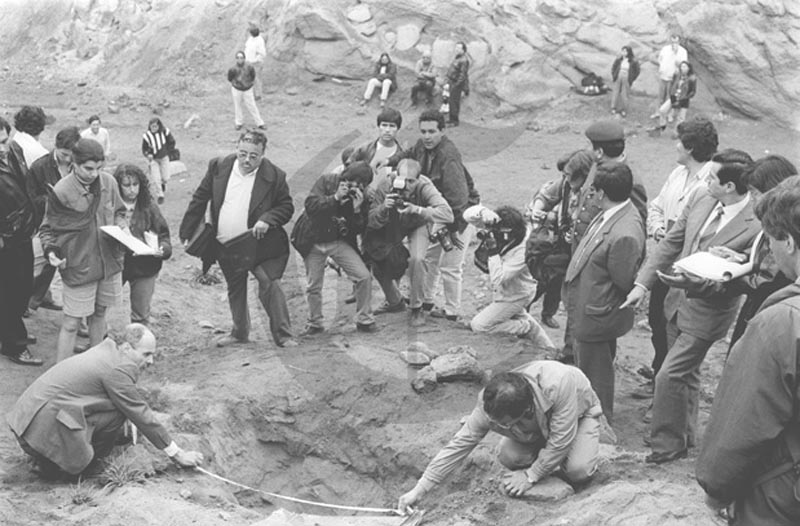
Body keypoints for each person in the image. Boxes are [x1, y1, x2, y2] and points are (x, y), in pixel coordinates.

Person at [621, 149, 761, 464]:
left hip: (709, 312)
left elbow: (743, 281)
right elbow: (672, 242)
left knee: (669, 375)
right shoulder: (702, 197)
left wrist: (696, 284)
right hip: (675, 303)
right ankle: (686, 437)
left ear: (730, 187)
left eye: (712, 177)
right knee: (687, 373)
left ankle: (666, 445)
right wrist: (642, 284)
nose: (704, 180)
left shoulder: (756, 223)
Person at [696, 180, 800, 526]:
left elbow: (744, 423)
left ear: (789, 242)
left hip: (781, 496)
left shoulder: (782, 323)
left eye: (770, 239)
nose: (769, 248)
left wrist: (715, 489)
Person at [397, 360, 602, 514]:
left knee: (578, 470)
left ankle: (561, 463)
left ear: (527, 409)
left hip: (579, 414)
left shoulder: (559, 383)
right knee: (509, 456)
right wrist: (419, 490)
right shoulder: (491, 401)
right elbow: (460, 444)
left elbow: (560, 441)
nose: (500, 428)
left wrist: (530, 476)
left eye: (505, 424)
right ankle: (546, 462)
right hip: (538, 425)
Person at [7, 324, 204, 478]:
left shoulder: (109, 349)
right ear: (127, 347)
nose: (151, 361)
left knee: (116, 409)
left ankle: (48, 458)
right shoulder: (118, 370)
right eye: (146, 354)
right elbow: (140, 414)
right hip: (37, 431)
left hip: (26, 420)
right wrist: (177, 454)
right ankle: (83, 469)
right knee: (119, 413)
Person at [180, 130, 296, 348]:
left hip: (258, 244)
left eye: (254, 156)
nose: (247, 160)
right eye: (243, 153)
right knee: (235, 286)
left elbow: (286, 206)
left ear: (263, 154)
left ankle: (284, 335)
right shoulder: (219, 166)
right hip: (226, 243)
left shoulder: (275, 176)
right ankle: (240, 332)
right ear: (236, 148)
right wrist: (186, 231)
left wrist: (267, 219)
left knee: (270, 283)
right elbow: (200, 197)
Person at [635, 116, 718, 398]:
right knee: (657, 322)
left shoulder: (711, 182)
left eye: (679, 141)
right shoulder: (676, 174)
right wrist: (658, 228)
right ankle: (658, 377)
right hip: (664, 260)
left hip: (687, 270)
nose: (675, 146)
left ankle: (667, 392)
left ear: (691, 147)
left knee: (677, 332)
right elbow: (657, 206)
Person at [563, 162, 645, 422]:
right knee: (589, 369)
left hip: (597, 315)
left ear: (600, 194)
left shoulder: (624, 234)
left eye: (592, 191)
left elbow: (624, 281)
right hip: (588, 309)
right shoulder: (612, 213)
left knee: (595, 377)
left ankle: (599, 429)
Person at [383, 109, 479, 321]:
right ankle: (426, 300)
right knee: (430, 258)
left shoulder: (448, 156)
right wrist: (390, 161)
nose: (427, 136)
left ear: (442, 131)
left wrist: (453, 229)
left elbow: (459, 198)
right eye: (423, 131)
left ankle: (452, 312)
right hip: (437, 208)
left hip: (460, 213)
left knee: (451, 265)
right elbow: (407, 155)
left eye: (432, 132)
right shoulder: (421, 145)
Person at [40, 138, 128, 363]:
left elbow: (119, 211)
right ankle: (61, 377)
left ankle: (93, 369)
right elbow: (48, 228)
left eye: (99, 168)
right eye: (89, 168)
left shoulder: (109, 182)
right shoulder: (62, 190)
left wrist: (122, 225)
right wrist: (51, 252)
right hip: (79, 265)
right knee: (71, 323)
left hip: (109, 263)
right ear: (74, 163)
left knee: (99, 314)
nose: (94, 174)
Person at [365, 159, 453, 326]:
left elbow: (447, 214)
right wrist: (384, 206)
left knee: (417, 259)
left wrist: (418, 209)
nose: (406, 185)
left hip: (417, 222)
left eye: (411, 181)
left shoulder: (425, 186)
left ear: (419, 179)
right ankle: (394, 300)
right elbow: (372, 220)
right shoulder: (385, 186)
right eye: (402, 179)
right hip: (393, 221)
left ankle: (416, 307)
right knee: (379, 255)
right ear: (395, 176)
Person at [291, 161, 377, 334]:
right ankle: (315, 322)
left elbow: (358, 229)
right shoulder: (327, 181)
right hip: (312, 240)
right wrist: (335, 198)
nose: (354, 187)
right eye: (351, 182)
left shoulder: (364, 196)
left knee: (363, 276)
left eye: (360, 185)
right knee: (313, 285)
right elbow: (311, 206)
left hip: (338, 242)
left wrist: (356, 210)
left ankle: (364, 319)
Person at [464, 204, 555, 347]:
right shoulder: (498, 226)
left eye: (501, 234)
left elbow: (498, 279)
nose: (496, 235)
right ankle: (549, 348)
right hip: (508, 291)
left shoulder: (524, 248)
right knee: (518, 314)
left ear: (511, 233)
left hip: (517, 294)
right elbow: (467, 215)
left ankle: (524, 327)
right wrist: (484, 212)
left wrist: (493, 251)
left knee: (480, 325)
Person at [525, 150, 595, 329]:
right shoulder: (565, 183)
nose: (565, 180)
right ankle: (523, 309)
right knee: (542, 277)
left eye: (568, 175)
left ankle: (548, 313)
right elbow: (546, 196)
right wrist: (539, 209)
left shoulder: (592, 191)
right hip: (558, 241)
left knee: (558, 283)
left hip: (579, 247)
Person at [26, 126, 83, 314]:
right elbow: (31, 198)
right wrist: (53, 200)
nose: (67, 159)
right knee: (36, 268)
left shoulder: (80, 166)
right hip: (45, 226)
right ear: (56, 146)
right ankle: (25, 303)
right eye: (64, 154)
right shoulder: (40, 167)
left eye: (71, 156)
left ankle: (76, 316)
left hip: (72, 229)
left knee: (74, 274)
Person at [0, 116, 41, 366]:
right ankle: (14, 343)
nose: (1, 148)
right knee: (12, 290)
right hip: (5, 238)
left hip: (22, 232)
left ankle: (8, 332)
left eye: (3, 140)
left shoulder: (13, 151)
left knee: (22, 287)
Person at [114, 164, 171, 325]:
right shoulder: (110, 206)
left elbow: (164, 235)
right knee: (102, 307)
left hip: (145, 266)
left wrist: (162, 249)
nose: (132, 190)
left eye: (135, 185)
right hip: (116, 265)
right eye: (126, 185)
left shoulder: (149, 207)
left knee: (141, 314)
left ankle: (141, 347)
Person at [347, 108, 406, 191]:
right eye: (384, 125)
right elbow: (348, 170)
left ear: (398, 128)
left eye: (392, 126)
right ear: (378, 126)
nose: (387, 130)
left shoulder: (401, 156)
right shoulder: (364, 149)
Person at [227, 51, 266, 131]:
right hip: (237, 89)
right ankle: (238, 122)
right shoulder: (233, 69)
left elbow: (253, 76)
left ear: (244, 58)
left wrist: (248, 84)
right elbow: (230, 78)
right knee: (237, 106)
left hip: (247, 90)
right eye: (238, 58)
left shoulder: (249, 67)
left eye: (241, 57)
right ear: (236, 59)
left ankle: (259, 123)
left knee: (252, 106)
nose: (239, 59)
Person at [141, 117, 175, 204]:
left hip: (164, 158)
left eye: (155, 126)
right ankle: (160, 195)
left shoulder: (165, 132)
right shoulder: (147, 136)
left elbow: (172, 142)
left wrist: (168, 151)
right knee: (156, 178)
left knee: (166, 177)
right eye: (152, 126)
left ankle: (163, 183)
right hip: (154, 160)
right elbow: (144, 148)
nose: (154, 128)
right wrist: (148, 154)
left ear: (159, 126)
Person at [655, 61, 696, 133]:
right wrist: (672, 96)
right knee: (662, 110)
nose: (682, 68)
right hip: (674, 96)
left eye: (684, 67)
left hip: (684, 100)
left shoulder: (692, 78)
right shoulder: (677, 75)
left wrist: (685, 97)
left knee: (681, 118)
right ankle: (663, 124)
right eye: (681, 66)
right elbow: (673, 85)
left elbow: (693, 91)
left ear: (689, 68)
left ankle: (677, 132)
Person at [653, 35, 688, 114]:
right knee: (660, 95)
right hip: (663, 75)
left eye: (676, 42)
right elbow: (660, 59)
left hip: (673, 78)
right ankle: (657, 112)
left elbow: (684, 65)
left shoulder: (683, 51)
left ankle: (669, 114)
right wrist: (661, 67)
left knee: (671, 96)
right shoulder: (665, 49)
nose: (674, 44)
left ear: (679, 42)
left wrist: (676, 56)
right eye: (672, 42)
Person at [610, 46, 640, 117]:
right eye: (622, 51)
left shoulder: (633, 61)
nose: (623, 53)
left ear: (629, 52)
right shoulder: (619, 59)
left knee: (625, 93)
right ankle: (613, 107)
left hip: (627, 76)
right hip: (619, 75)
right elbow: (614, 67)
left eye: (625, 51)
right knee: (615, 92)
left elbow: (637, 71)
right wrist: (614, 75)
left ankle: (624, 109)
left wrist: (632, 78)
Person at [445, 42, 470, 127]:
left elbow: (462, 75)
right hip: (452, 82)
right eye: (456, 48)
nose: (456, 49)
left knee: (454, 102)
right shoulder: (458, 58)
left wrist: (457, 84)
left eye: (459, 48)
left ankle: (454, 121)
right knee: (451, 101)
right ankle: (451, 119)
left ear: (463, 50)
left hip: (456, 84)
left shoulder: (464, 60)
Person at [244, 23, 267, 100]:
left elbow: (262, 53)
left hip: (256, 63)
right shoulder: (250, 39)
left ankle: (259, 95)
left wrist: (256, 60)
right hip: (249, 62)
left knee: (257, 79)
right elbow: (247, 49)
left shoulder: (260, 41)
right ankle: (252, 95)